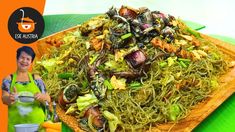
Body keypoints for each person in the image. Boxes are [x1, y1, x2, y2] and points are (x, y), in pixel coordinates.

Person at [1, 46, 51, 132]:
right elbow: (4, 98)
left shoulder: (36, 78)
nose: (24, 61)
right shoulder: (9, 79)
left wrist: (41, 97)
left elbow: (48, 98)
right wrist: (10, 98)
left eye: (28, 59)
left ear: (31, 62)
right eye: (22, 58)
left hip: (37, 126)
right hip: (16, 127)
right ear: (17, 59)